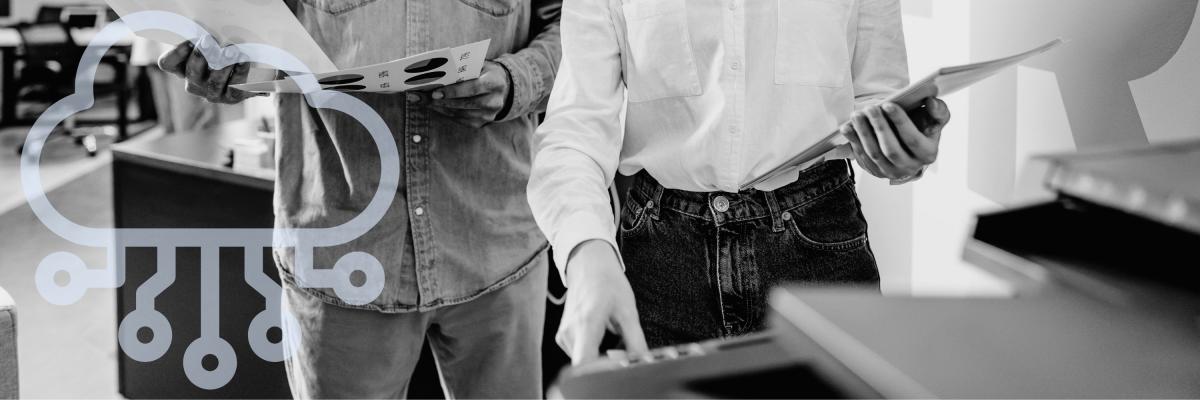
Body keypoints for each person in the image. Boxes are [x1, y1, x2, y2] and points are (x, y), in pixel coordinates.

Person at [158, 0, 561, 397]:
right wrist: (227, 61)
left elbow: (573, 29)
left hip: (496, 242)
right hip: (341, 252)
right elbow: (247, 26)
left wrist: (517, 80)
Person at [528, 0, 951, 364]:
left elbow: (877, 96)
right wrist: (587, 255)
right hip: (662, 260)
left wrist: (898, 147)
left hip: (819, 245)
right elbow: (575, 129)